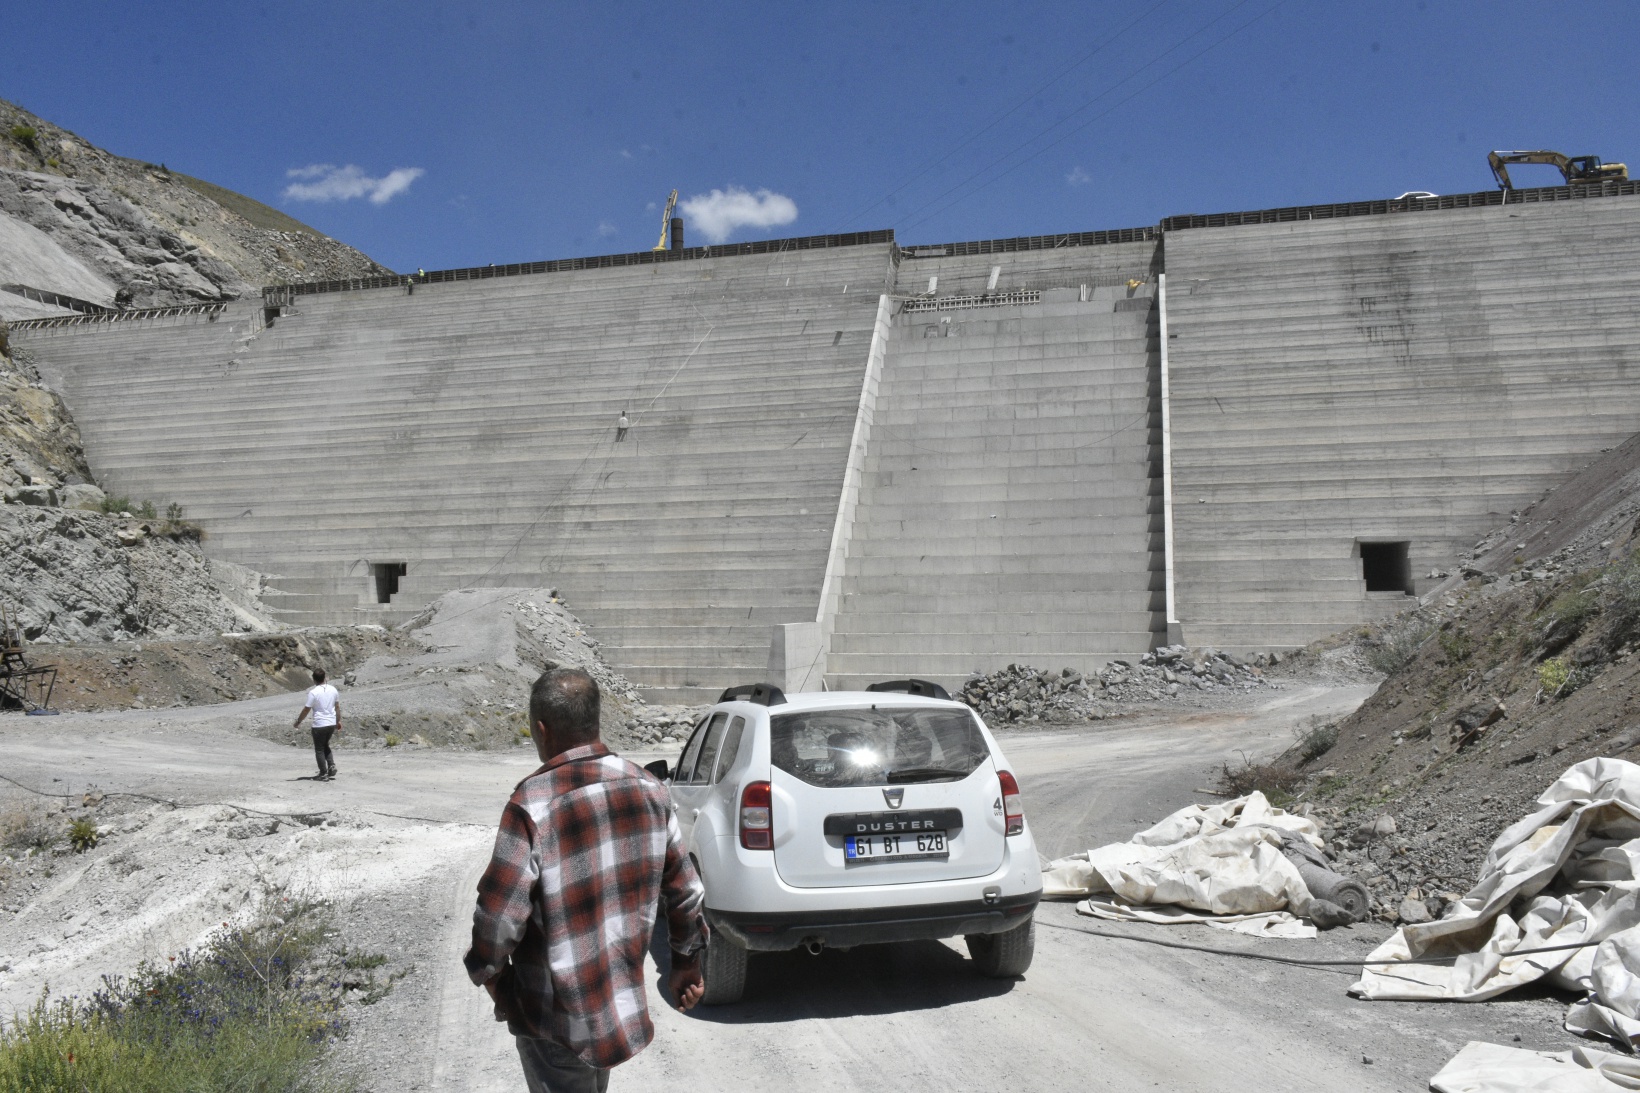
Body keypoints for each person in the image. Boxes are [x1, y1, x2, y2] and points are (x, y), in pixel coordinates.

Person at [466, 668, 707, 1092]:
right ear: (595, 721)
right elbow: (685, 891)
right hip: (614, 1008)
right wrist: (686, 961)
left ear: (541, 729)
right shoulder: (650, 789)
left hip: (554, 1020)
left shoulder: (532, 805)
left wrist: (492, 975)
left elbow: (498, 916)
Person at [293, 668, 340, 780]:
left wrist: (298, 721)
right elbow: (337, 707)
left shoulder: (313, 693)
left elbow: (306, 709)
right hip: (331, 723)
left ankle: (323, 773)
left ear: (313, 680)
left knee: (319, 749)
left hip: (319, 724)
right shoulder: (333, 690)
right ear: (325, 678)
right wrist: (338, 721)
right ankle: (331, 765)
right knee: (325, 745)